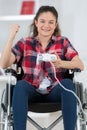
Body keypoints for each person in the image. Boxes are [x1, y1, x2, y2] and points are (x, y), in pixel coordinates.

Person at [0, 5, 84, 130]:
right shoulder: (25, 42)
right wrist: (11, 36)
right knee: (20, 85)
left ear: (55, 25)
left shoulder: (63, 42)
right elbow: (3, 64)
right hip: (31, 91)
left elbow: (80, 65)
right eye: (42, 21)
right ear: (36, 23)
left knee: (67, 83)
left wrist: (61, 63)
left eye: (51, 22)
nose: (46, 25)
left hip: (55, 91)